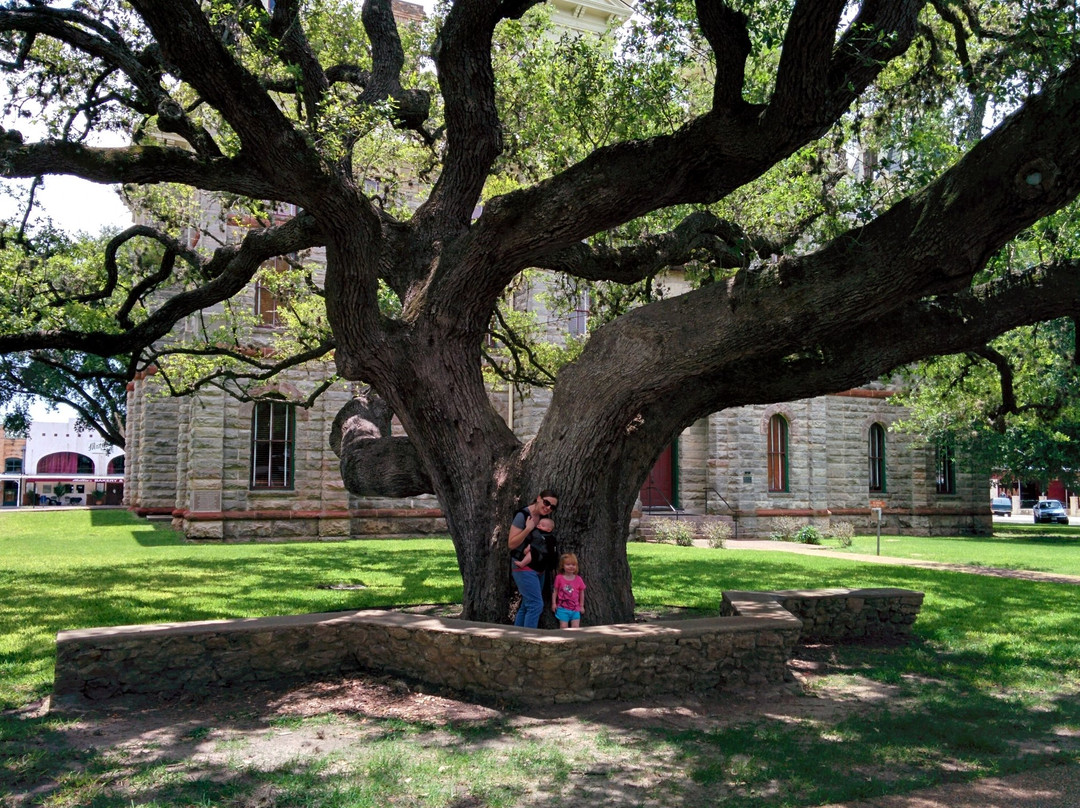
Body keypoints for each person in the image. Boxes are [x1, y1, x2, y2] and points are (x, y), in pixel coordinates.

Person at [508, 490, 557, 628]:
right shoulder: (522, 515)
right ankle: (529, 639)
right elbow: (511, 544)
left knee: (527, 605)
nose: (548, 507)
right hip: (523, 567)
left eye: (552, 507)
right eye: (546, 502)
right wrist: (528, 529)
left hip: (539, 568)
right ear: (538, 498)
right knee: (536, 605)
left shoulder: (543, 520)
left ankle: (517, 637)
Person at [551, 552, 586, 628]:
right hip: (562, 609)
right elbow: (555, 591)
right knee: (563, 627)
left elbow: (581, 592)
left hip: (575, 609)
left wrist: (581, 606)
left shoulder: (578, 579)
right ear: (563, 566)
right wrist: (553, 603)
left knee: (576, 627)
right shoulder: (559, 578)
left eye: (573, 565)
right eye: (568, 564)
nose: (571, 567)